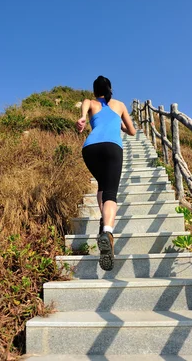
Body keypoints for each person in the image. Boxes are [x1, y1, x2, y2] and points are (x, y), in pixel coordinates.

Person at [76, 76, 136, 271]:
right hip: (112, 148)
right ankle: (108, 232)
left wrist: (84, 117)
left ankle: (103, 223)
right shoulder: (119, 105)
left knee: (102, 183)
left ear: (95, 90)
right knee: (110, 192)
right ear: (110, 88)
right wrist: (118, 123)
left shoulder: (91, 102)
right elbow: (133, 131)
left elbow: (85, 105)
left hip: (90, 148)